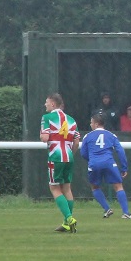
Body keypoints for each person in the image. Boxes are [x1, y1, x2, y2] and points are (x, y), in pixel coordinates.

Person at [40, 93, 80, 233]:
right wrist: (70, 153)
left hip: (56, 156)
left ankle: (69, 218)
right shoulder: (71, 120)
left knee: (54, 188)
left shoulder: (47, 118)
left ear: (52, 104)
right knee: (67, 188)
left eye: (46, 102)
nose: (45, 104)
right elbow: (76, 142)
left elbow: (45, 138)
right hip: (69, 156)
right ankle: (66, 223)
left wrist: (42, 135)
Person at [80, 113, 131, 219]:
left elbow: (83, 153)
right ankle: (126, 213)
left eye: (91, 122)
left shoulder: (87, 136)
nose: (90, 124)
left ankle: (107, 209)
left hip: (94, 164)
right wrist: (124, 167)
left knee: (94, 187)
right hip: (109, 163)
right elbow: (120, 151)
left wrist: (92, 160)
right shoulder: (111, 135)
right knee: (118, 186)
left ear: (96, 124)